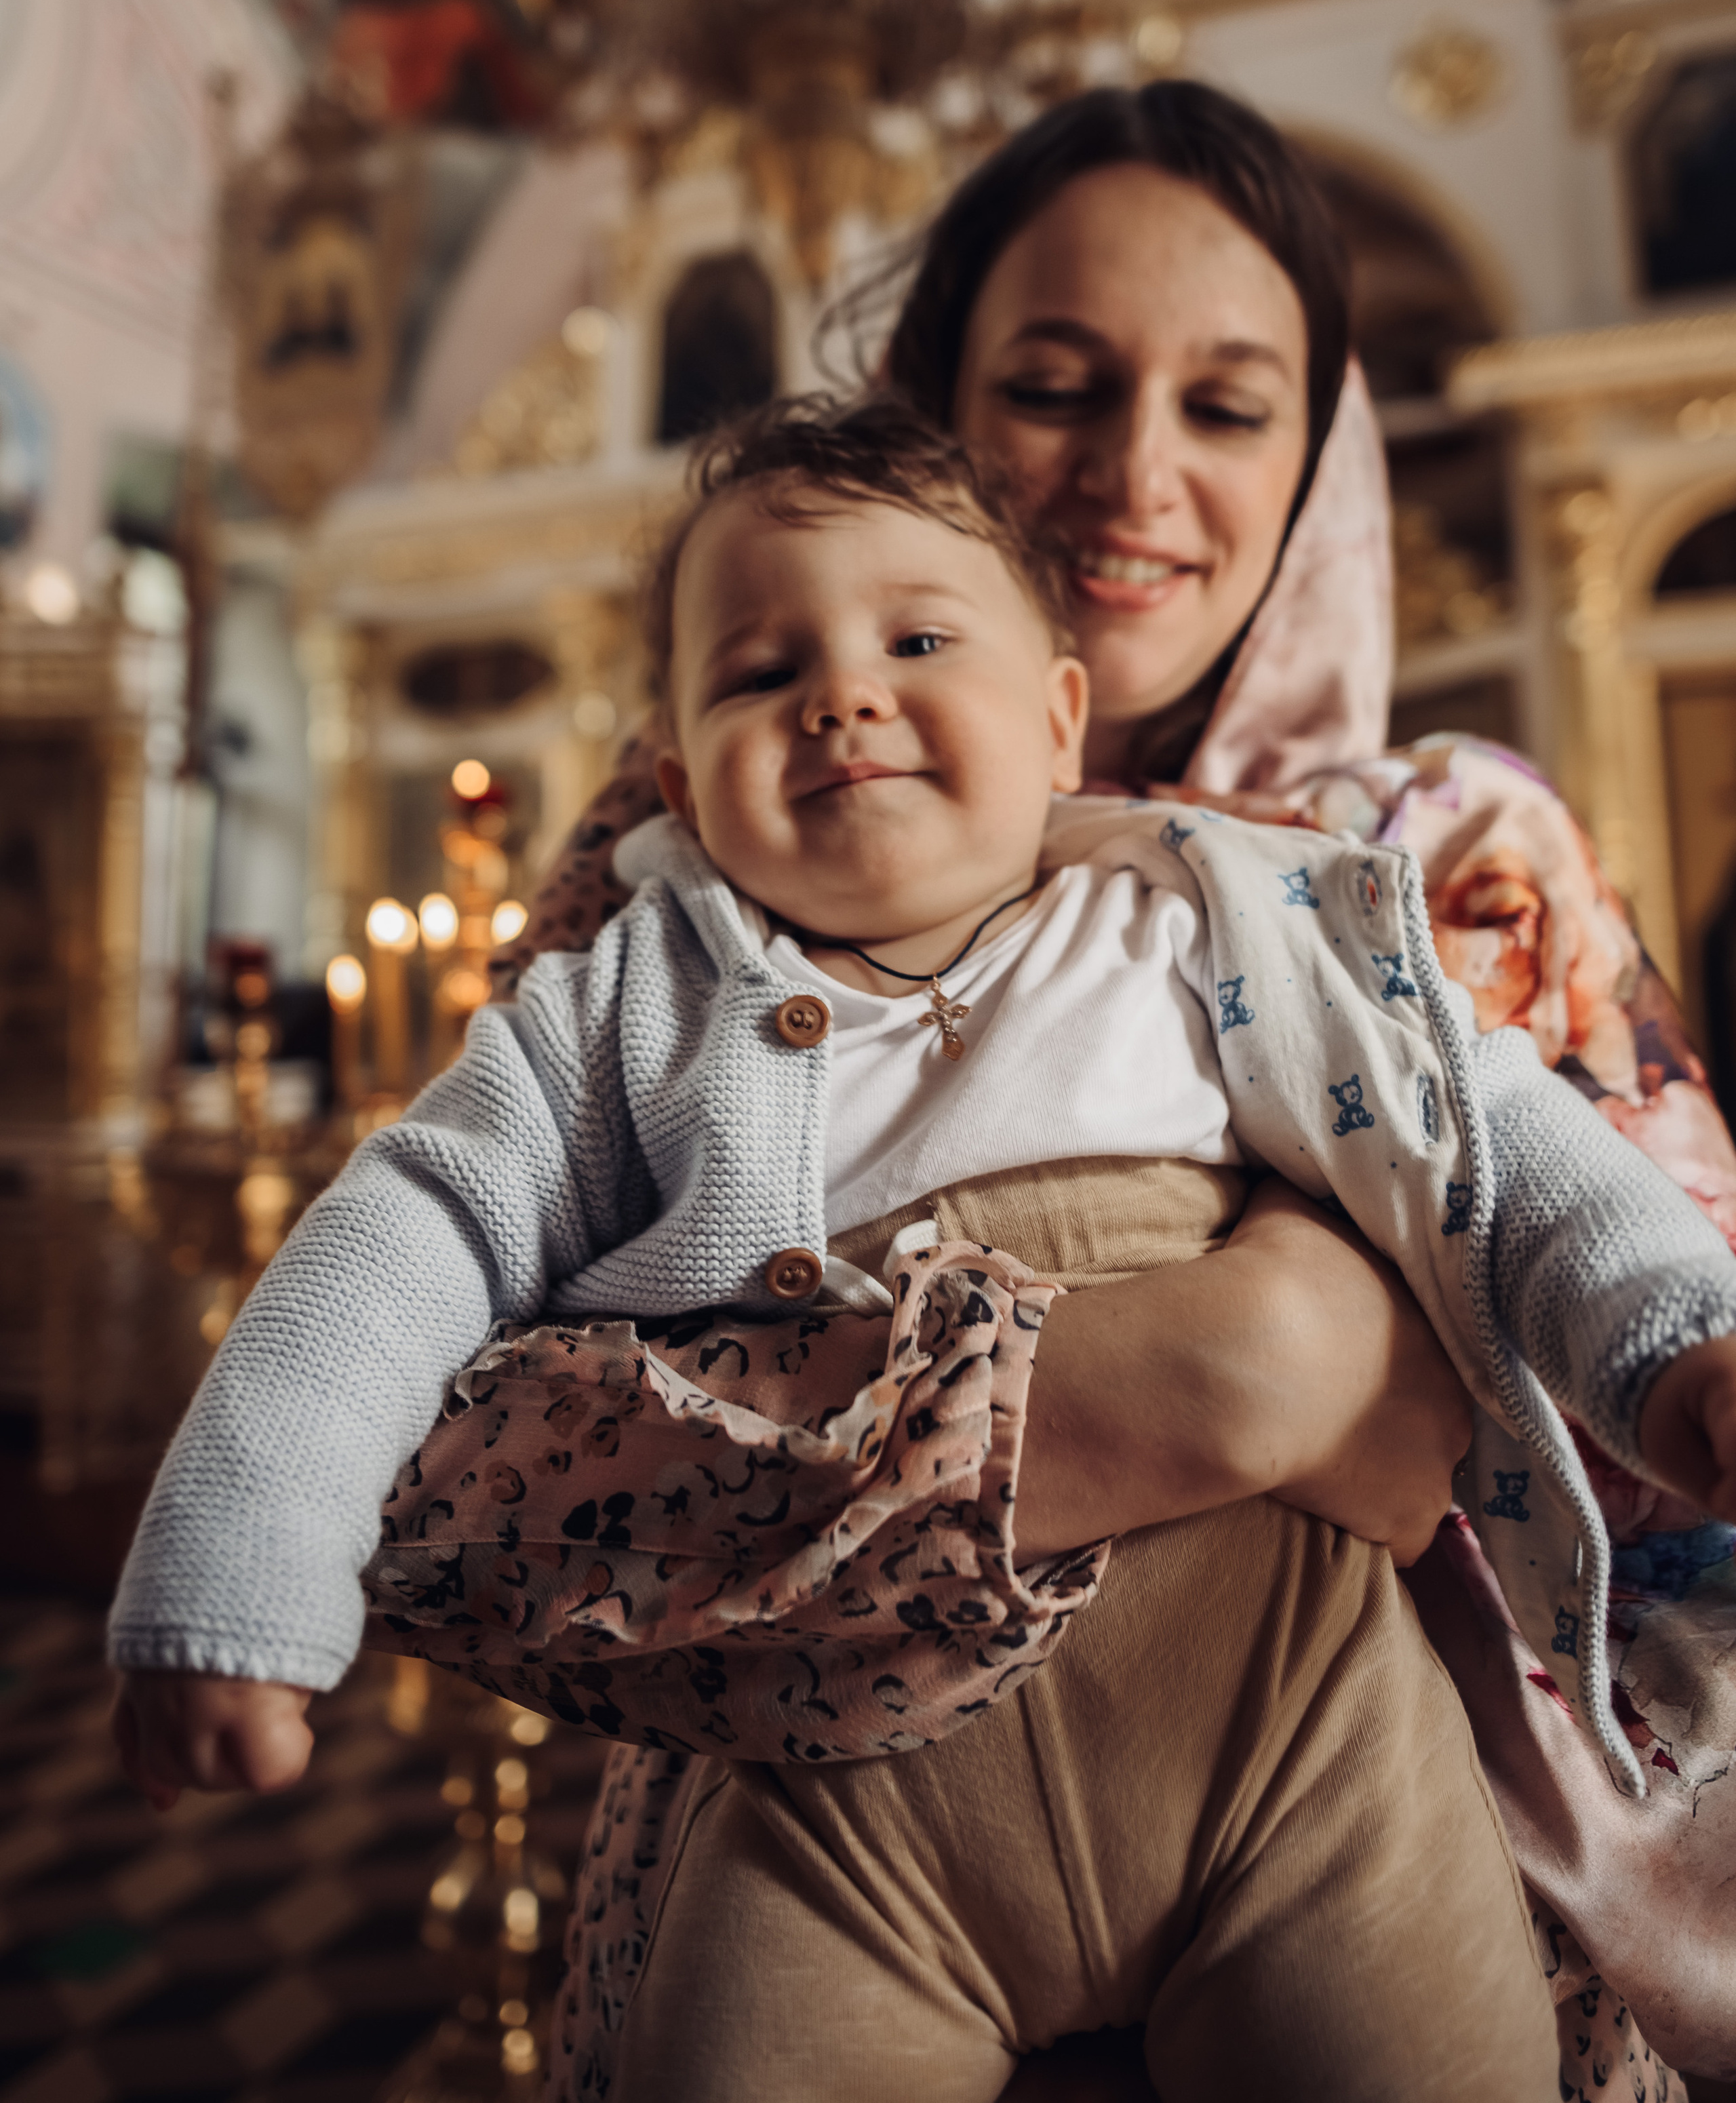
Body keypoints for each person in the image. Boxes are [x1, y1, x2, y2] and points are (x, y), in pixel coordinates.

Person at [110, 396, 1736, 2102]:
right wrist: (236, 1573)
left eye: (915, 637)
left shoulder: (1213, 918)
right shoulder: (625, 1010)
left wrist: (1676, 1343)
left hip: (1304, 1742)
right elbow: (401, 1232)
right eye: (755, 673)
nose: (838, 691)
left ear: (1056, 723)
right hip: (833, 1813)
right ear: (675, 783)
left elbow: (1489, 1125)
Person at [457, 81, 1736, 2102]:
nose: (1136, 473)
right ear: (930, 415)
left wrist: (1500, 1410)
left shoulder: (1455, 867)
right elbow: (468, 1486)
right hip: (815, 1889)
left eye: (1230, 407)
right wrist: (1202, 1381)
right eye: (1057, 384)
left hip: (1455, 1922)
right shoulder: (683, 864)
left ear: (1318, 461)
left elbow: (1689, 1493)